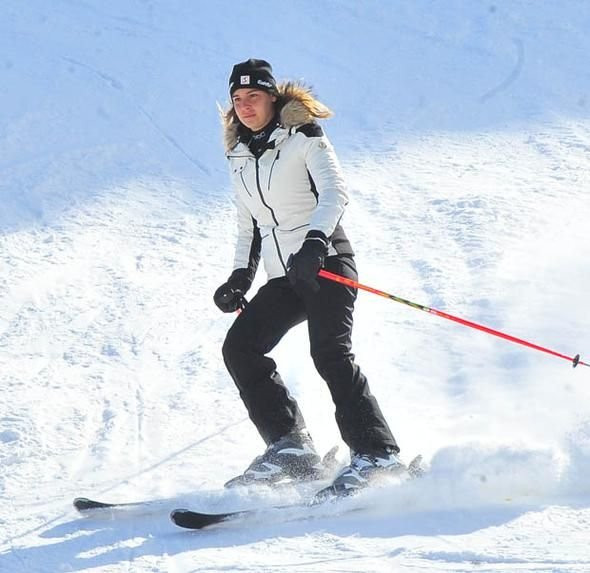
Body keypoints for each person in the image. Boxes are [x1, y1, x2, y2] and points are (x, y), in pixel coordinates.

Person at [214, 58, 404, 498]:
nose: (244, 106)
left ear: (272, 97)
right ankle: (290, 448)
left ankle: (377, 454)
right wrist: (240, 277)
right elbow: (250, 225)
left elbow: (335, 192)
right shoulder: (239, 156)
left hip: (326, 263)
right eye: (237, 100)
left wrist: (316, 244)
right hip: (285, 276)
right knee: (240, 347)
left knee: (330, 354)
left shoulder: (303, 137)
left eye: (253, 97)